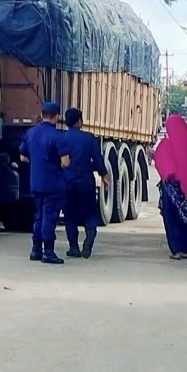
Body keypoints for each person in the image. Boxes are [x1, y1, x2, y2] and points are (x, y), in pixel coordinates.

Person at [19, 101, 71, 265]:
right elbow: (65, 162)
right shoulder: (58, 137)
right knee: (49, 216)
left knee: (39, 215)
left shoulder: (30, 133)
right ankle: (48, 252)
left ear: (42, 115)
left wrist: (37, 161)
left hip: (35, 182)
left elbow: (22, 156)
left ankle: (36, 250)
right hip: (53, 183)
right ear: (56, 117)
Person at [153, 113, 187, 260]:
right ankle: (185, 249)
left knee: (172, 217)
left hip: (171, 189)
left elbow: (163, 167)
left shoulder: (166, 145)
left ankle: (176, 249)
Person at [60, 107, 109, 259]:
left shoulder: (62, 138)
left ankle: (73, 247)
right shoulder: (89, 138)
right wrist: (104, 175)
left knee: (70, 216)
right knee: (90, 214)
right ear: (79, 121)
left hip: (67, 183)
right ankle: (88, 244)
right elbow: (98, 159)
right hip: (85, 183)